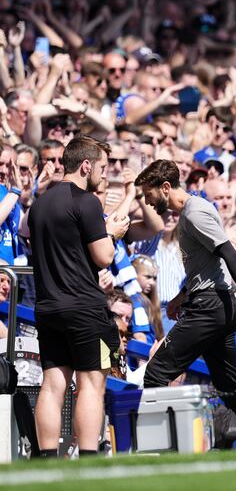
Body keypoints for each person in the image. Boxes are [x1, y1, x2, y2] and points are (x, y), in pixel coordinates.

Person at [134, 159, 236, 451]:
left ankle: (157, 448)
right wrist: (180, 296)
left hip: (210, 307)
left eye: (149, 196)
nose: (148, 203)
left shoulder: (195, 212)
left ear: (165, 188)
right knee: (228, 386)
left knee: (156, 372)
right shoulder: (193, 211)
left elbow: (230, 254)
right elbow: (207, 264)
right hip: (215, 305)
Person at [29, 136, 130, 458]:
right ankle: (87, 457)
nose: (104, 174)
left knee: (53, 384)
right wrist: (111, 234)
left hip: (47, 307)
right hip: (84, 309)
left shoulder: (40, 202)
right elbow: (103, 257)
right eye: (102, 167)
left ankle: (45, 457)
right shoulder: (87, 201)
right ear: (86, 165)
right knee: (91, 384)